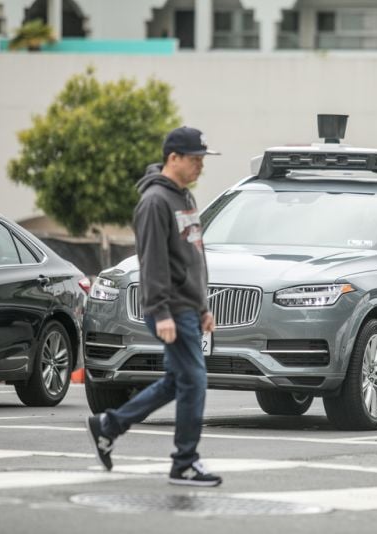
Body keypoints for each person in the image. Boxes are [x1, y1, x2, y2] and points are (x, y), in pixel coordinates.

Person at [86, 126, 222, 487]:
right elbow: (153, 262)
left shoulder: (185, 197)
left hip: (188, 308)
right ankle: (184, 463)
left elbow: (195, 256)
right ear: (173, 158)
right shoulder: (154, 203)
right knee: (194, 381)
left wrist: (204, 306)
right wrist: (161, 313)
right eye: (195, 160)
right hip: (170, 310)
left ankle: (109, 425)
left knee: (176, 382)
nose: (200, 167)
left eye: (201, 160)